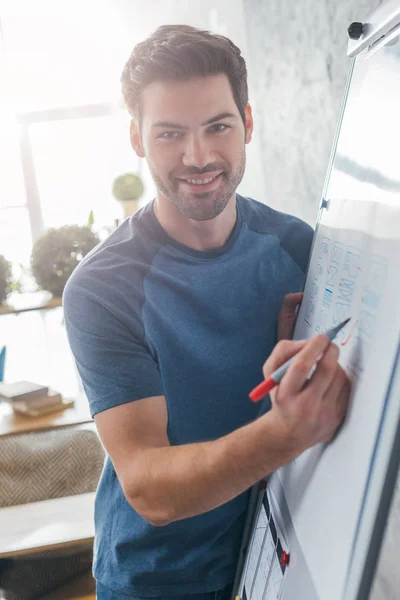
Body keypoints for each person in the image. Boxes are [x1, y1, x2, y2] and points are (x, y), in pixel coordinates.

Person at [63, 24, 350, 600]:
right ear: (138, 139)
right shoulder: (103, 288)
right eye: (170, 134)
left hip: (283, 563)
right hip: (158, 582)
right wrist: (283, 431)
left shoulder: (299, 248)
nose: (198, 157)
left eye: (217, 127)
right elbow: (148, 486)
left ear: (247, 123)